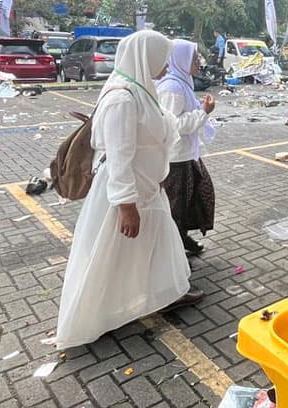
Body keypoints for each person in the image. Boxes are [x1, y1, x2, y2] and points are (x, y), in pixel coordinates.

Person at [56, 31, 202, 350]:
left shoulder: (142, 89)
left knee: (159, 243)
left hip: (149, 188)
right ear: (144, 57)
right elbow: (118, 156)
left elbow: (163, 129)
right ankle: (94, 317)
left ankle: (168, 293)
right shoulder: (121, 97)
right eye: (161, 58)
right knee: (110, 254)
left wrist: (160, 171)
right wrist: (126, 205)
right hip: (127, 193)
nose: (165, 65)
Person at [157, 40, 217, 256]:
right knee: (176, 207)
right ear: (180, 60)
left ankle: (181, 240)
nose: (199, 62)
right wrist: (203, 112)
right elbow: (175, 124)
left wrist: (200, 110)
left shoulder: (181, 82)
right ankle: (173, 256)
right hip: (175, 159)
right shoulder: (172, 87)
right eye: (194, 58)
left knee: (191, 201)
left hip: (186, 155)